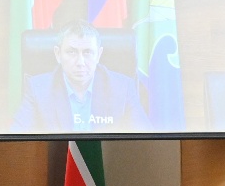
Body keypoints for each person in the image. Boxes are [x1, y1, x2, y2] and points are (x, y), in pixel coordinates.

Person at [11, 21, 146, 132]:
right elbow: (17, 136)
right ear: (58, 54)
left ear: (98, 55)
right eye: (72, 52)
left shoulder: (123, 87)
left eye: (87, 52)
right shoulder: (38, 89)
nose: (80, 62)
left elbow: (144, 138)